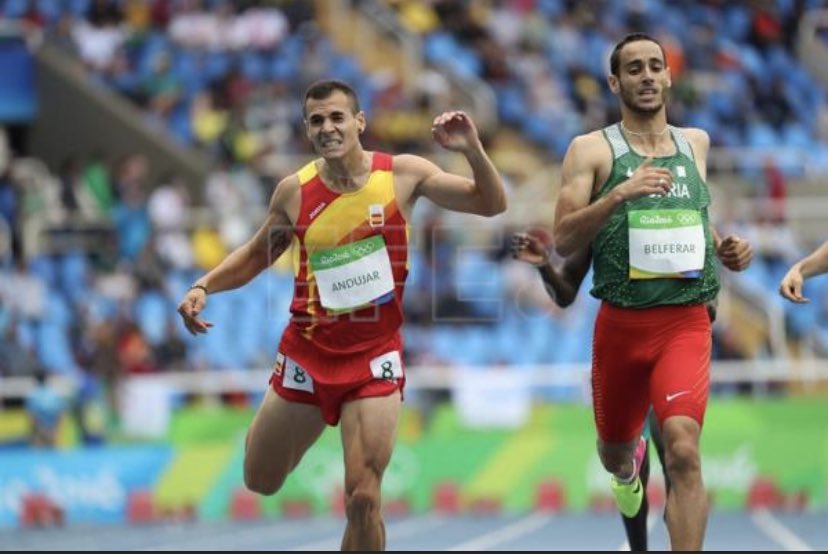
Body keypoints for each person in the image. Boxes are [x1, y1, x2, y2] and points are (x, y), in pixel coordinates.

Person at [177, 79, 506, 551]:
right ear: (307, 130)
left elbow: (491, 204)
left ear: (359, 122)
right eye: (316, 120)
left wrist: (473, 149)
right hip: (307, 356)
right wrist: (202, 285)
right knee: (260, 479)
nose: (328, 127)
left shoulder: (403, 176)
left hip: (374, 359)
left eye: (337, 117)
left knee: (364, 498)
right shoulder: (295, 192)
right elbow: (255, 256)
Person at [549, 33, 752, 550]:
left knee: (683, 451)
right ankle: (628, 471)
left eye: (654, 66)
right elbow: (564, 236)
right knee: (615, 451)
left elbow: (694, 219)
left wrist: (723, 246)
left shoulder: (695, 143)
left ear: (668, 76)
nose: (646, 75)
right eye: (633, 68)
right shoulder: (590, 149)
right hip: (621, 325)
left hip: (684, 322)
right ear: (616, 82)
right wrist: (620, 192)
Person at [510, 230, 750, 550]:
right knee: (626, 460)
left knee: (677, 451)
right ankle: (638, 542)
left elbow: (711, 280)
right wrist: (544, 266)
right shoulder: (607, 209)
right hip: (623, 344)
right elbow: (566, 292)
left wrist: (706, 300)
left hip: (675, 343)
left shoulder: (687, 202)